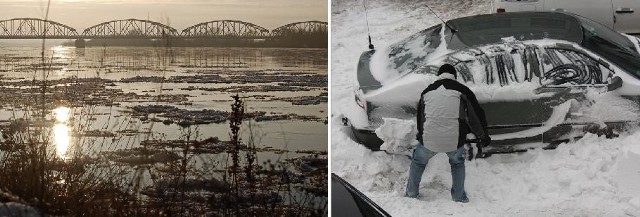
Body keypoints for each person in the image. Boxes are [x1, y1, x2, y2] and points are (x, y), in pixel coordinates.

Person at [405, 63, 490, 203]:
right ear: (454, 76)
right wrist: (483, 135)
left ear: (439, 75)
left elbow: (421, 117)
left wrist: (421, 135)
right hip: (454, 141)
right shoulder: (463, 90)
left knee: (418, 162)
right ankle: (459, 196)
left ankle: (411, 193)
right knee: (457, 163)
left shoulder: (427, 91)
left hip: (428, 140)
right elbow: (476, 115)